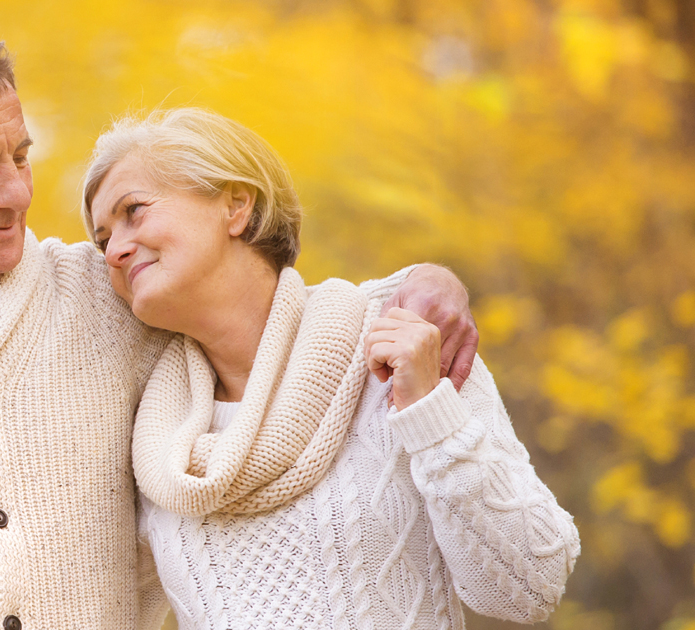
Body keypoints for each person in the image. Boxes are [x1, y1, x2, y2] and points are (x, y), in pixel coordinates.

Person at [0, 16, 479, 630]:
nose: (14, 192)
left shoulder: (108, 294)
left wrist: (421, 283)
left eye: (19, 155)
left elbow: (273, 309)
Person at [80, 107, 580, 629]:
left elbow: (531, 588)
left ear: (235, 206)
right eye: (102, 239)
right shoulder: (153, 441)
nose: (114, 250)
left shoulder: (401, 338)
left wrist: (431, 415)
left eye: (134, 211)